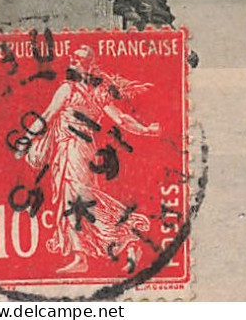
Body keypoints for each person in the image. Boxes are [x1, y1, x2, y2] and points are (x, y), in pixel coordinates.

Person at [26, 46, 162, 274]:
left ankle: (124, 236)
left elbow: (49, 116)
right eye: (72, 57)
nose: (72, 60)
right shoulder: (90, 91)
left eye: (78, 59)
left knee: (77, 198)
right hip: (75, 149)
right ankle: (87, 253)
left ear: (88, 64)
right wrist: (146, 130)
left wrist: (27, 138)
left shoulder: (70, 89)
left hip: (74, 149)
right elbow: (120, 118)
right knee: (71, 199)